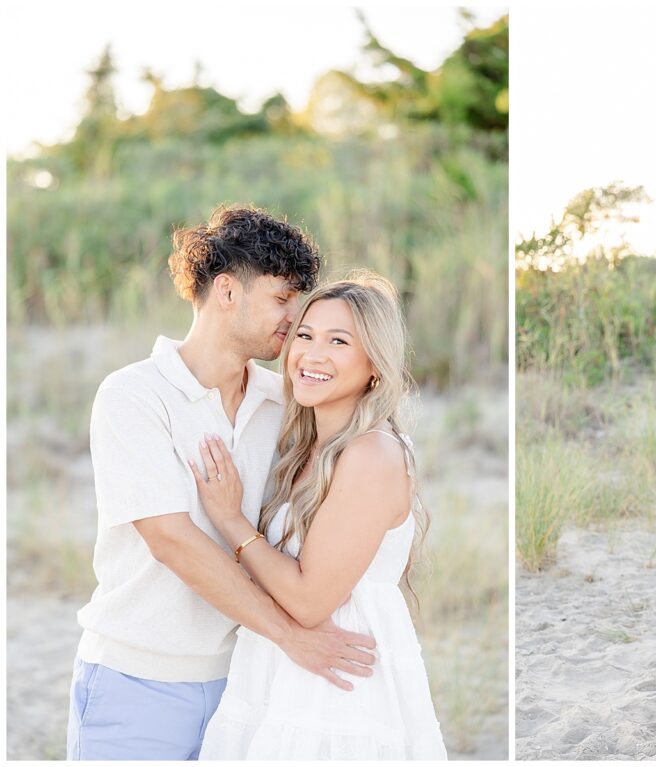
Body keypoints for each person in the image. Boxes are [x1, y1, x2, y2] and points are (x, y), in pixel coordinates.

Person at [68, 206, 378, 761]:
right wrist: (291, 635)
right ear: (228, 292)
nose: (293, 318)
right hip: (139, 681)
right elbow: (171, 540)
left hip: (248, 682)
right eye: (282, 299)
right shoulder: (134, 396)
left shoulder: (283, 402)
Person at [193, 273, 447, 760]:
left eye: (338, 341)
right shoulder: (308, 448)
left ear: (374, 366)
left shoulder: (373, 453)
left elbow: (311, 602)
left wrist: (232, 522)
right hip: (282, 666)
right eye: (305, 336)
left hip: (335, 682)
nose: (312, 355)